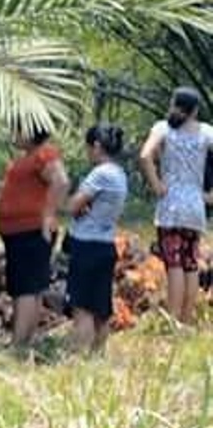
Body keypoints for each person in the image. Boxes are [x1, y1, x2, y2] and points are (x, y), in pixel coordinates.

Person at [140, 87, 213, 325]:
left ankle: (173, 322)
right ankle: (187, 317)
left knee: (174, 262)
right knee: (191, 262)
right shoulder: (206, 132)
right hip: (195, 205)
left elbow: (144, 156)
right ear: (195, 110)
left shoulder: (163, 128)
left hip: (171, 205)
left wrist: (157, 185)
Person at [0, 119, 69, 346]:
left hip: (31, 230)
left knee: (26, 289)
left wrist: (47, 215)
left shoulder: (44, 154)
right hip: (18, 233)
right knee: (26, 287)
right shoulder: (28, 157)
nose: (14, 134)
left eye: (18, 129)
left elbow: (61, 181)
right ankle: (26, 339)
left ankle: (19, 343)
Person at [65, 124, 128, 352]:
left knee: (81, 306)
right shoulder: (120, 174)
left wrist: (72, 201)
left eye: (88, 147)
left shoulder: (101, 173)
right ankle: (97, 355)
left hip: (86, 246)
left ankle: (78, 357)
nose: (88, 152)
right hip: (105, 244)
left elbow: (73, 205)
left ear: (97, 146)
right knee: (101, 308)